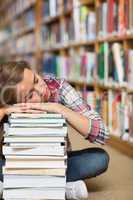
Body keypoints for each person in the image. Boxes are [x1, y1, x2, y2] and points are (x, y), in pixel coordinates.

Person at [0, 61, 110, 199]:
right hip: (18, 164)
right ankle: (62, 188)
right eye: (29, 96)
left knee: (99, 159)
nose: (41, 90)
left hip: (57, 163)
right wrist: (4, 110)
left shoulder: (58, 87)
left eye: (36, 80)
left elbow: (102, 133)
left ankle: (15, 186)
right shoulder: (5, 99)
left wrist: (60, 109)